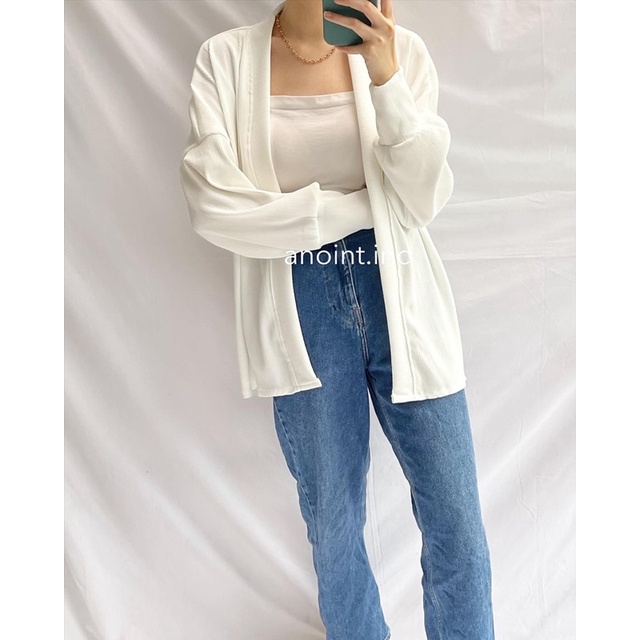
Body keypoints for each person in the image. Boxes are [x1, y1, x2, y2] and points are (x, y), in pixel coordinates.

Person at [179, 1, 495, 638]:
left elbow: (423, 197)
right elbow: (212, 203)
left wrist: (386, 77)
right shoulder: (226, 59)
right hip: (300, 303)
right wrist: (355, 210)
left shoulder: (403, 54)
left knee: (456, 522)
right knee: (334, 524)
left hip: (401, 295)